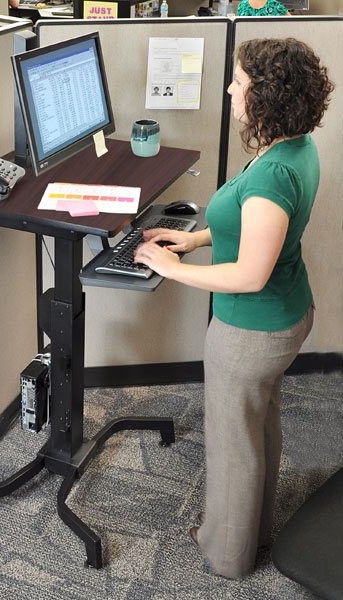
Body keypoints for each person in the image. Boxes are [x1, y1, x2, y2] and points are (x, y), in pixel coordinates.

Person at [134, 38, 333, 579]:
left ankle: (227, 554)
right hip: (285, 314)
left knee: (231, 445)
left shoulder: (273, 174)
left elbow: (249, 274)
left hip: (252, 329)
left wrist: (171, 268)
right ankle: (254, 530)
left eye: (239, 81)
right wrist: (194, 239)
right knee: (257, 424)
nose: (229, 89)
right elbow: (250, 226)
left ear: (266, 94)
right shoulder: (294, 147)